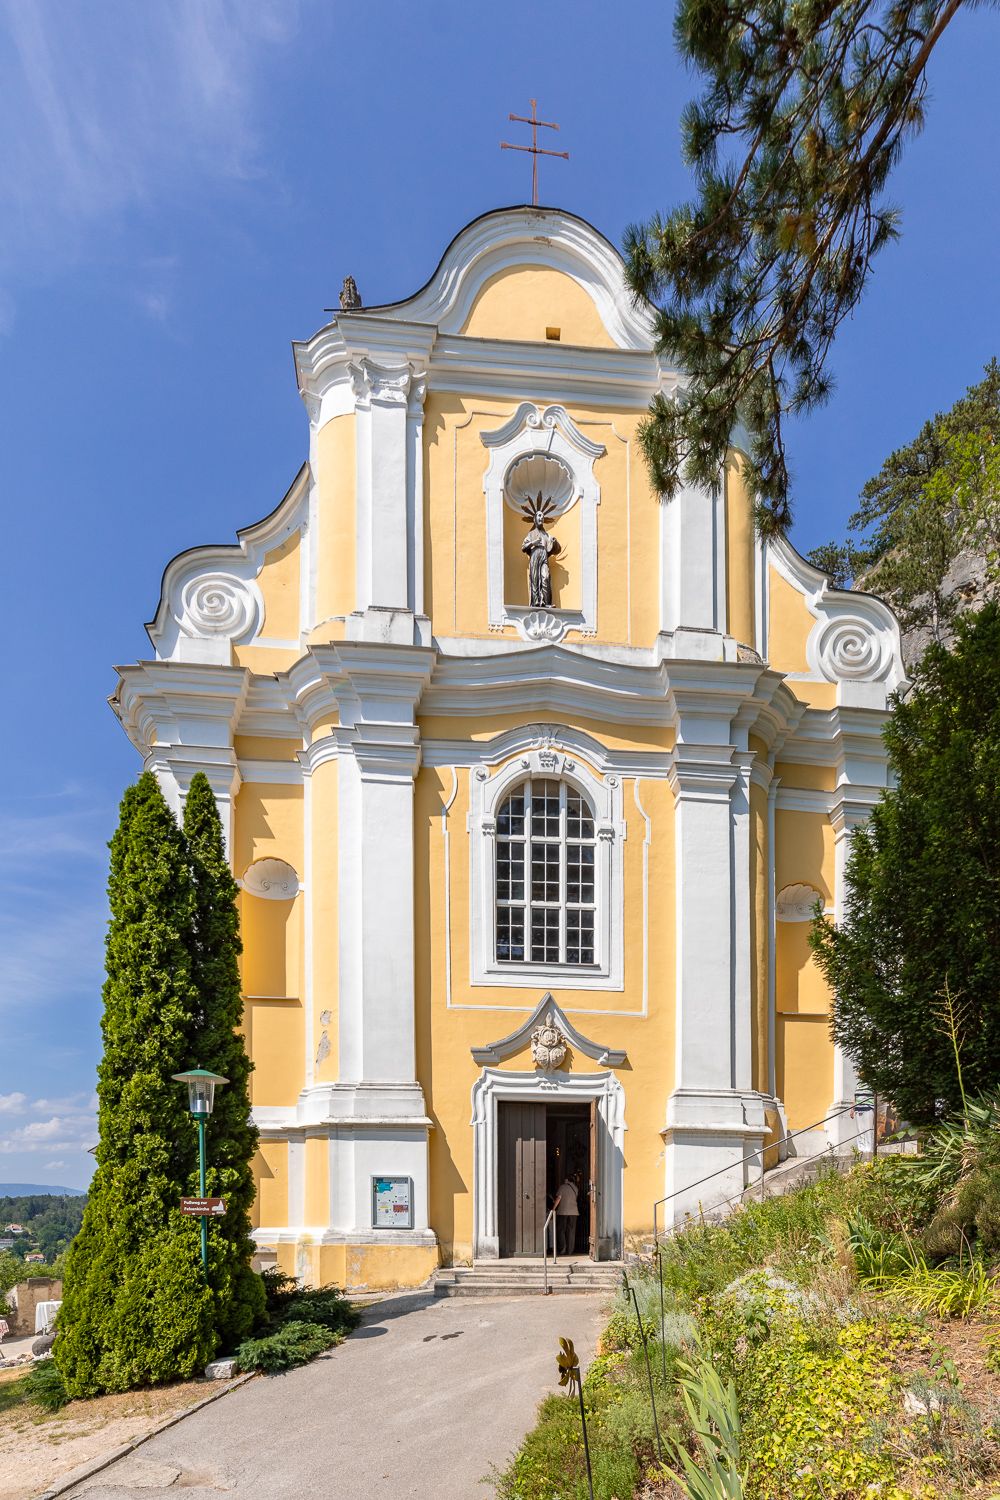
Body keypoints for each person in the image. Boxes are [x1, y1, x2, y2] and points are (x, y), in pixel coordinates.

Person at [553, 1171, 579, 1255]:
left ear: (567, 1180)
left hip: (563, 1212)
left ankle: (563, 1248)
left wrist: (553, 1208)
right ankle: (570, 1250)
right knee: (571, 1231)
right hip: (574, 1213)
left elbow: (558, 1198)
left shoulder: (562, 1187)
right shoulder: (575, 1188)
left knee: (561, 1230)